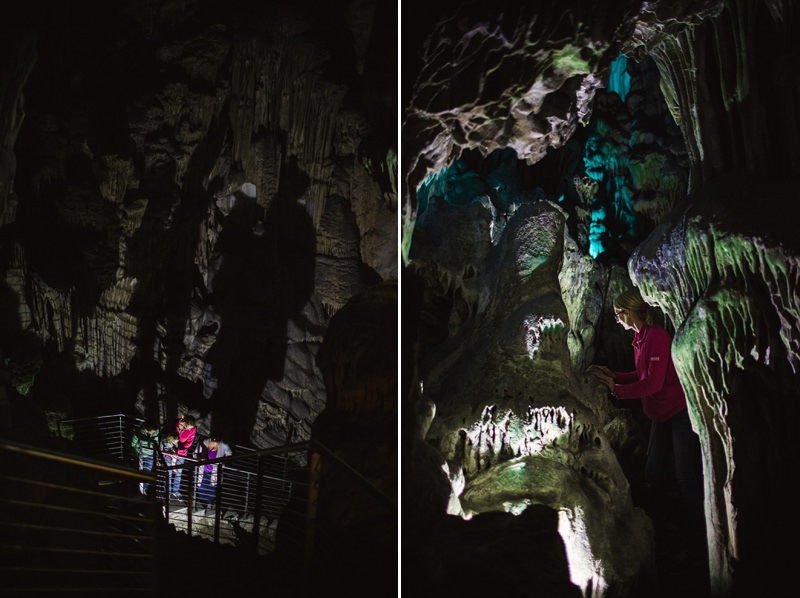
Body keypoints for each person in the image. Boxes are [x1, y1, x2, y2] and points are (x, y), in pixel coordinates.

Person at [588, 288, 705, 571]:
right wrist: (614, 375)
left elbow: (652, 383)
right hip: (660, 413)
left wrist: (617, 390)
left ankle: (698, 541)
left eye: (618, 314)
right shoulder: (640, 339)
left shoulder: (657, 337)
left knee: (684, 475)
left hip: (677, 411)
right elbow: (642, 375)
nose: (617, 320)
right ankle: (659, 531)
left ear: (629, 312)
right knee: (651, 473)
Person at [193, 435, 233, 510]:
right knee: (201, 487)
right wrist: (201, 459)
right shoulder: (203, 443)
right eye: (212, 444)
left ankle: (209, 503)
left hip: (215, 471)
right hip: (203, 470)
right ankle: (201, 501)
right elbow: (194, 454)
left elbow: (229, 454)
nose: (213, 446)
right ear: (210, 440)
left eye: (216, 444)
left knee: (212, 488)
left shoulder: (224, 445)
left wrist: (224, 462)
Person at [168, 414, 196, 499]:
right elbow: (168, 436)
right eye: (188, 427)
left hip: (181, 454)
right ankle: (167, 491)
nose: (190, 429)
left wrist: (179, 451)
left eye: (191, 428)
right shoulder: (175, 423)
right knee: (168, 473)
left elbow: (188, 443)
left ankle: (175, 491)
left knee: (178, 473)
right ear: (184, 423)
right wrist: (171, 449)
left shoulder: (192, 429)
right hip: (169, 452)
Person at [131, 420, 160, 495]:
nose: (153, 433)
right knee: (143, 473)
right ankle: (143, 490)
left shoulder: (156, 433)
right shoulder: (138, 433)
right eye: (152, 432)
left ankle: (144, 491)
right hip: (140, 455)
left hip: (149, 455)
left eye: (154, 432)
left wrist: (157, 458)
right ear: (146, 430)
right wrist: (136, 455)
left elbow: (156, 446)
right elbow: (133, 445)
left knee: (146, 473)